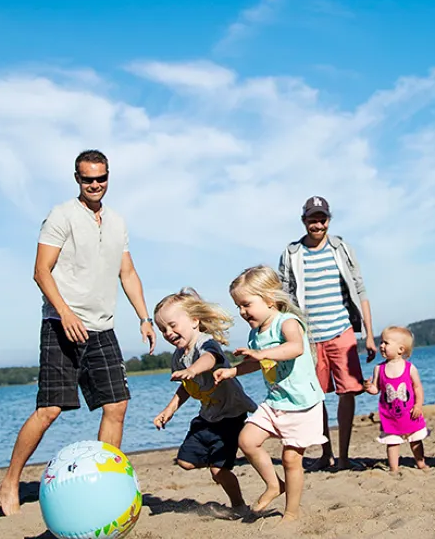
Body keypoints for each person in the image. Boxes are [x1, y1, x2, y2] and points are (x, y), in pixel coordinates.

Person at [0, 150, 157, 515]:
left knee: (116, 406)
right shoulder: (61, 216)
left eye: (101, 178)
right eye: (88, 179)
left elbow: (127, 273)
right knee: (49, 409)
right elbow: (41, 271)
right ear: (77, 179)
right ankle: (10, 482)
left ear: (108, 177)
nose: (95, 185)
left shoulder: (117, 222)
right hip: (61, 325)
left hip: (103, 327)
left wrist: (145, 317)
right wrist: (65, 313)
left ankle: (107, 482)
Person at [214, 266, 327, 521]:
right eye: (238, 306)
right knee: (247, 440)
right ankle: (274, 485)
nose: (242, 312)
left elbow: (296, 348)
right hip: (275, 401)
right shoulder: (256, 334)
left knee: (290, 459)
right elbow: (256, 362)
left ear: (269, 298)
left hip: (302, 404)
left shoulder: (286, 323)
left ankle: (291, 513)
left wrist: (262, 354)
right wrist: (232, 372)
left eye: (246, 304)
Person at [278, 195, 376, 471]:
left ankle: (344, 457)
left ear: (328, 220)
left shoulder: (341, 248)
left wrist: (369, 334)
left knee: (348, 391)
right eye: (312, 219)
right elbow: (284, 297)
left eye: (322, 219)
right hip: (308, 338)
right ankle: (326, 454)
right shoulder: (291, 253)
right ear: (304, 221)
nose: (317, 224)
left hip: (341, 330)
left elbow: (360, 290)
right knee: (315, 395)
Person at [152, 287, 257, 514]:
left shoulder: (205, 343)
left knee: (218, 472)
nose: (168, 333)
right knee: (185, 461)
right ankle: (221, 459)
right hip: (208, 416)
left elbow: (212, 359)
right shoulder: (178, 357)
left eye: (172, 325)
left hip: (231, 416)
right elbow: (187, 388)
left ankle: (239, 504)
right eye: (162, 329)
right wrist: (169, 410)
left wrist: (193, 369)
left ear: (194, 321)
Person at [362, 326, 429, 474]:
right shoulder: (379, 369)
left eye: (386, 343)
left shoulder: (410, 368)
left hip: (410, 412)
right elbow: (376, 389)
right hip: (390, 415)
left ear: (401, 349)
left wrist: (418, 405)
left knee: (415, 439)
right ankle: (394, 468)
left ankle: (421, 463)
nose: (381, 346)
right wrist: (368, 387)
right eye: (381, 342)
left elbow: (417, 387)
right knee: (392, 442)